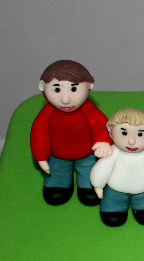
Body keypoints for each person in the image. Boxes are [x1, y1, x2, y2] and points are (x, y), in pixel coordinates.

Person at [30, 60, 113, 206]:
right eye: (57, 90)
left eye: (73, 89)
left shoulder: (88, 110)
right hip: (57, 156)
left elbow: (100, 124)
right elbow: (39, 134)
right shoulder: (47, 113)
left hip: (87, 154)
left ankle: (88, 185)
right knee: (57, 172)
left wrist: (103, 141)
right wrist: (41, 156)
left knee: (90, 172)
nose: (65, 99)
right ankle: (59, 184)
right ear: (42, 86)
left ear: (89, 85)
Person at [90, 108, 144, 226]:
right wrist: (98, 184)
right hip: (115, 189)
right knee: (112, 214)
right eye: (124, 133)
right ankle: (114, 209)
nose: (131, 141)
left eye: (140, 134)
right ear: (111, 132)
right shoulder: (113, 152)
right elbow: (102, 167)